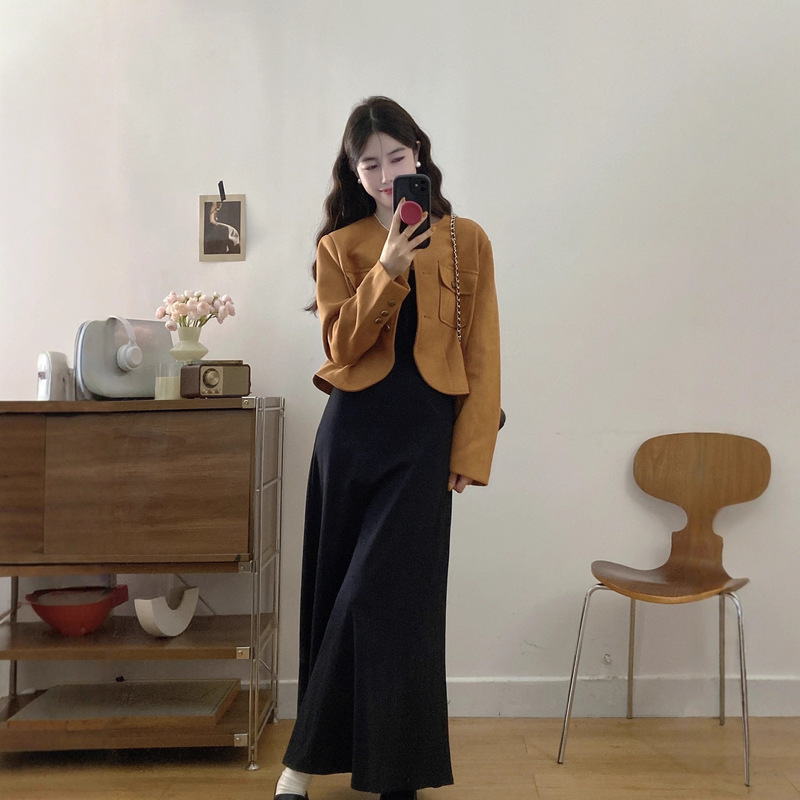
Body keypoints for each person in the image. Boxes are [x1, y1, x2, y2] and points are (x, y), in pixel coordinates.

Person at [275, 96, 501, 800]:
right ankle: (313, 763)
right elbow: (341, 348)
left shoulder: (466, 240)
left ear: (419, 155)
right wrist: (388, 268)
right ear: (353, 170)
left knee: (394, 598)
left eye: (396, 158)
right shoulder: (338, 247)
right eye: (369, 163)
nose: (384, 174)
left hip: (425, 437)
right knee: (343, 591)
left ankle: (370, 769)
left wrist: (470, 451)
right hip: (351, 435)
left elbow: (483, 350)